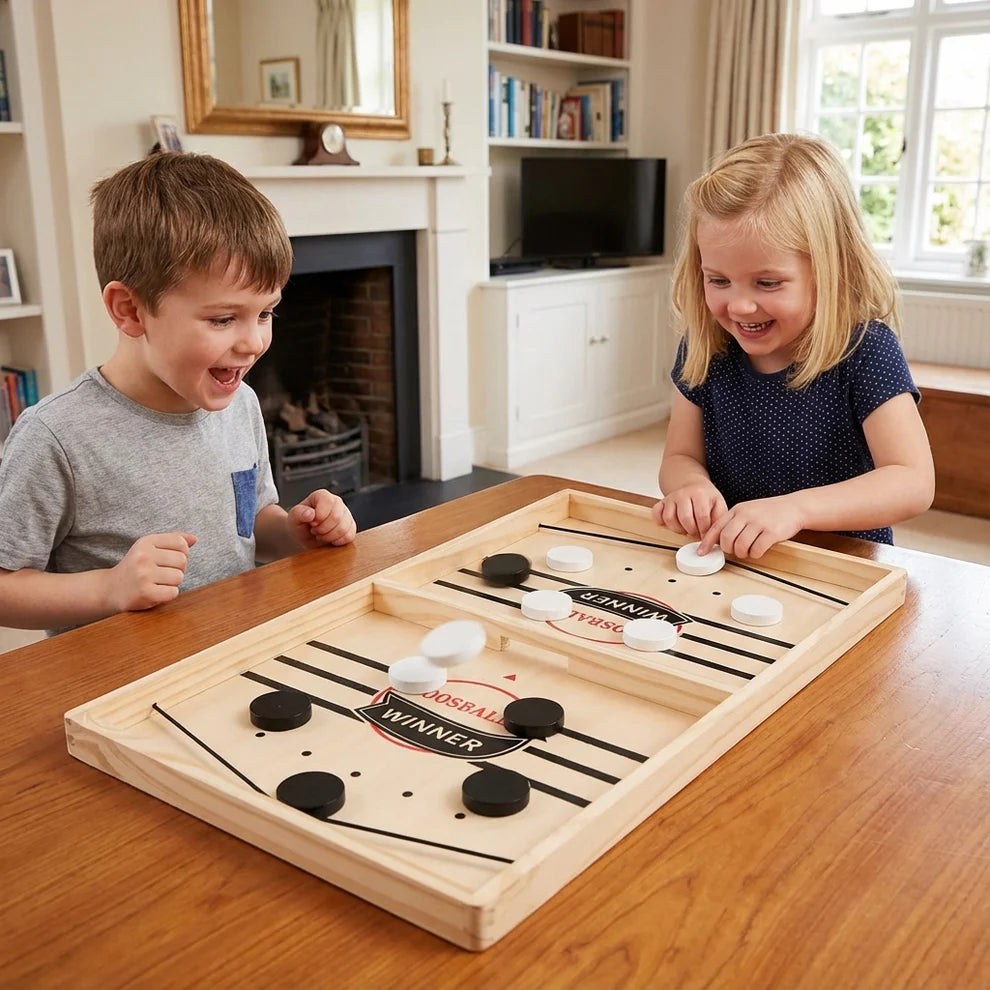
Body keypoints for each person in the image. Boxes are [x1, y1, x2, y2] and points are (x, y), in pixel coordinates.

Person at [0, 152, 356, 632]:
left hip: (227, 655)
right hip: (117, 691)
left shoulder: (241, 405)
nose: (253, 342)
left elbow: (250, 526)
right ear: (130, 310)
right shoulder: (56, 437)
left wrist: (294, 531)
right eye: (223, 319)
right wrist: (109, 588)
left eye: (266, 313)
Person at [654, 132, 934, 560]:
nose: (741, 305)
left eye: (768, 283)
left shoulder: (866, 349)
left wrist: (796, 509)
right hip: (735, 559)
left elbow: (913, 482)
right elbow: (679, 455)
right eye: (718, 280)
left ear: (830, 269)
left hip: (840, 566)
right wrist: (689, 486)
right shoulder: (706, 345)